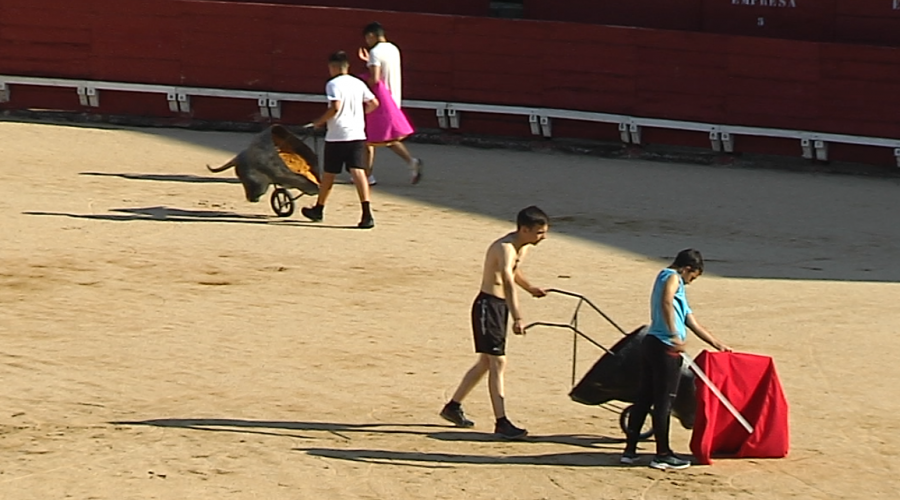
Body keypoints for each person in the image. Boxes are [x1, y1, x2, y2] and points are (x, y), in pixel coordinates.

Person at [439, 206, 549, 440]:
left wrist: (530, 288)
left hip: (498, 307)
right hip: (488, 306)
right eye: (539, 232)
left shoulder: (523, 246)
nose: (543, 237)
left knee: (485, 363)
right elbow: (507, 280)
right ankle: (501, 421)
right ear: (524, 229)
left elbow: (514, 272)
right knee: (497, 362)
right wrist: (518, 316)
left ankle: (453, 406)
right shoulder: (505, 248)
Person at [621, 249, 732, 470]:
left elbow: (692, 322)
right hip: (665, 347)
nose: (691, 282)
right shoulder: (671, 276)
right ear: (687, 269)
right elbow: (666, 302)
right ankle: (662, 454)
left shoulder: (673, 281)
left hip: (652, 343)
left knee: (645, 397)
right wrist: (673, 335)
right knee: (664, 400)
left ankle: (630, 451)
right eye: (693, 277)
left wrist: (717, 344)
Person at [301, 51, 379, 229]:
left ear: (333, 67)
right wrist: (359, 116)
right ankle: (366, 213)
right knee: (359, 172)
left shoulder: (333, 84)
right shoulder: (358, 83)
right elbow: (374, 103)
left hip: (338, 136)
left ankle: (319, 208)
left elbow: (336, 107)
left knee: (329, 174)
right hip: (357, 134)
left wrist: (319, 122)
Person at [357, 21, 423, 186]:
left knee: (368, 138)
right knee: (386, 138)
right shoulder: (393, 48)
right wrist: (368, 61)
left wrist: (363, 91)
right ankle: (411, 162)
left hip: (380, 101)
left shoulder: (375, 52)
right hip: (394, 99)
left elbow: (375, 78)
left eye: (367, 38)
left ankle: (368, 176)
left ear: (371, 35)